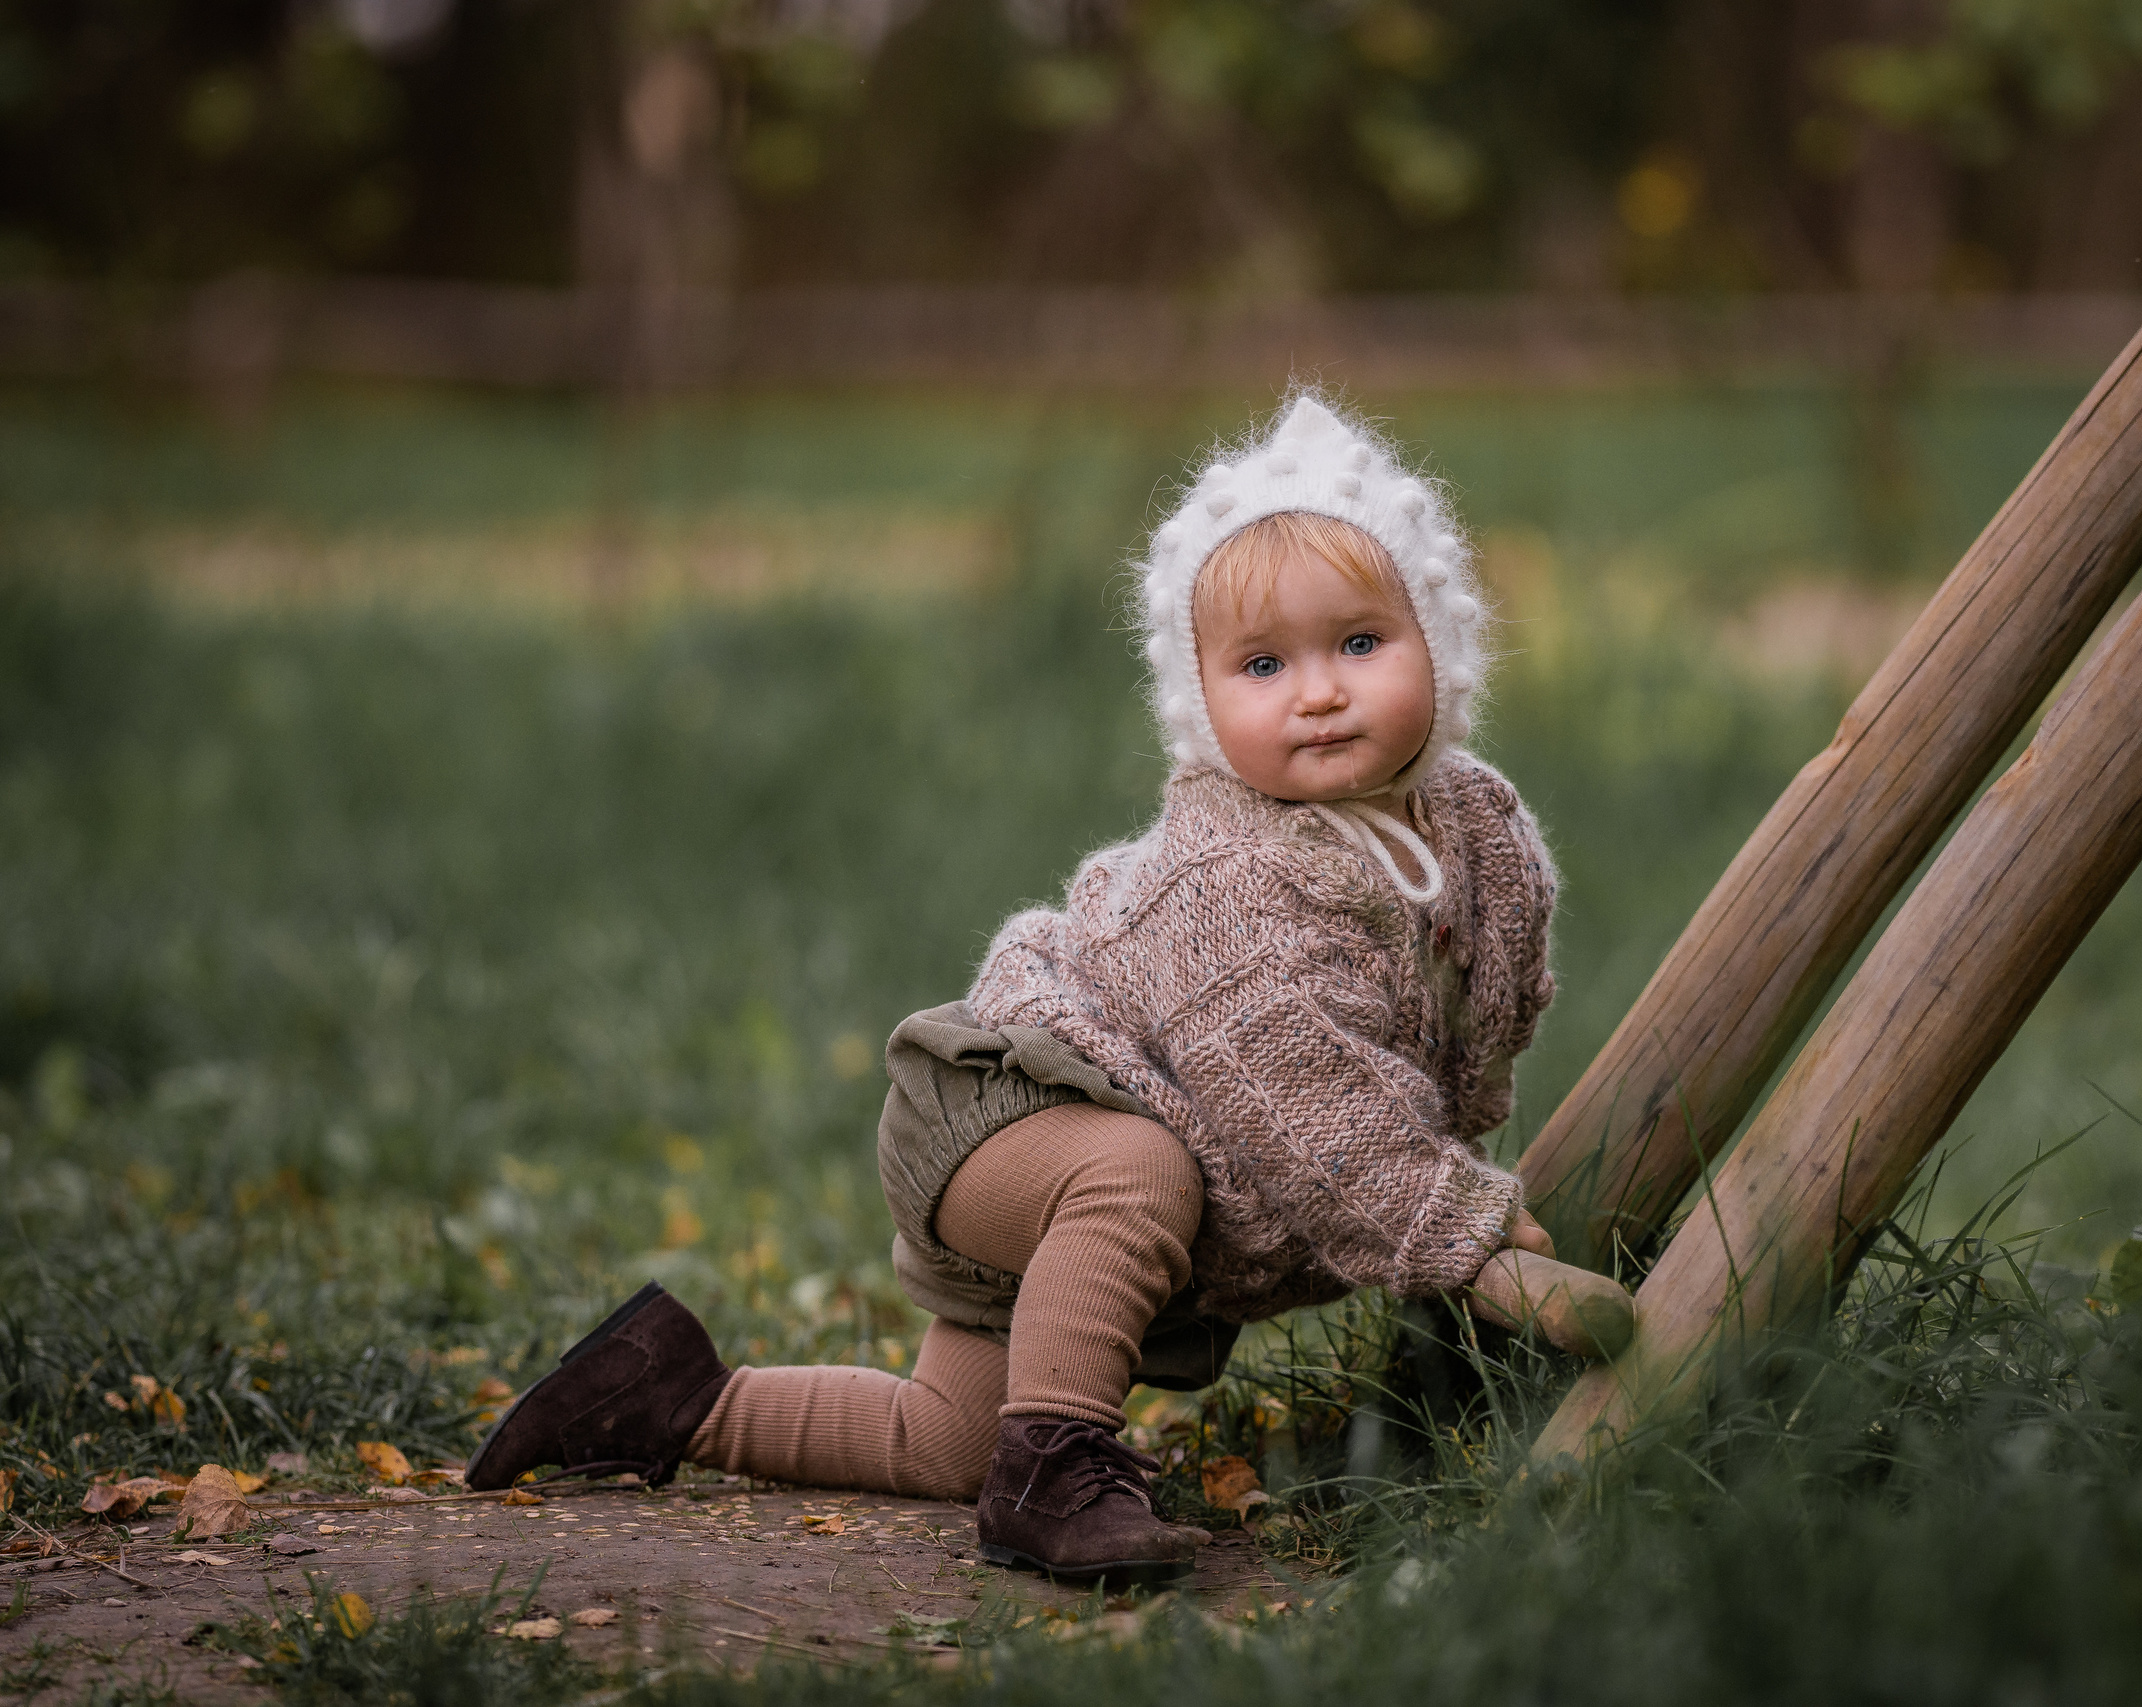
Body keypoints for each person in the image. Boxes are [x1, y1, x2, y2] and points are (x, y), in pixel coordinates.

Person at [465, 393, 1559, 1583]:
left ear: (1439, 646)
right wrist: (1459, 1229)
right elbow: (1307, 1108)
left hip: (1094, 1161)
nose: (1318, 691)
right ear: (1197, 701)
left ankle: (663, 1397)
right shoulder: (1225, 883)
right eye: (1261, 663)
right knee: (1137, 1169)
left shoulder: (1476, 823)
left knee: (941, 1439)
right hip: (1010, 1108)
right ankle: (1054, 1477)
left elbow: (1490, 998)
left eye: (1359, 643)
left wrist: (1464, 1139)